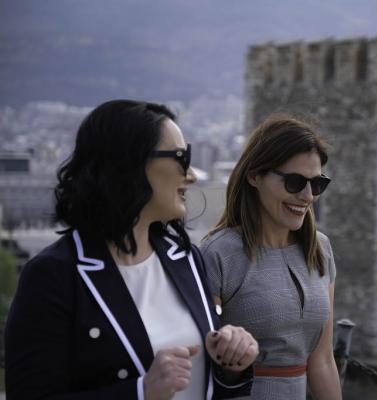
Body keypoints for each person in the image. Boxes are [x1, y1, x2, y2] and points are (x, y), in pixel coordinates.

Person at [4, 100, 258, 400]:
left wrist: (230, 365)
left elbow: (205, 386)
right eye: (181, 157)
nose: (190, 175)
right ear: (131, 163)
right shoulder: (54, 275)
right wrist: (140, 392)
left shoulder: (186, 259)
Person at [200, 114, 342, 399]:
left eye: (317, 184)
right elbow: (201, 361)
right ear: (255, 176)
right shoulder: (218, 254)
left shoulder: (320, 249)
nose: (308, 196)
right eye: (294, 182)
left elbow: (323, 361)